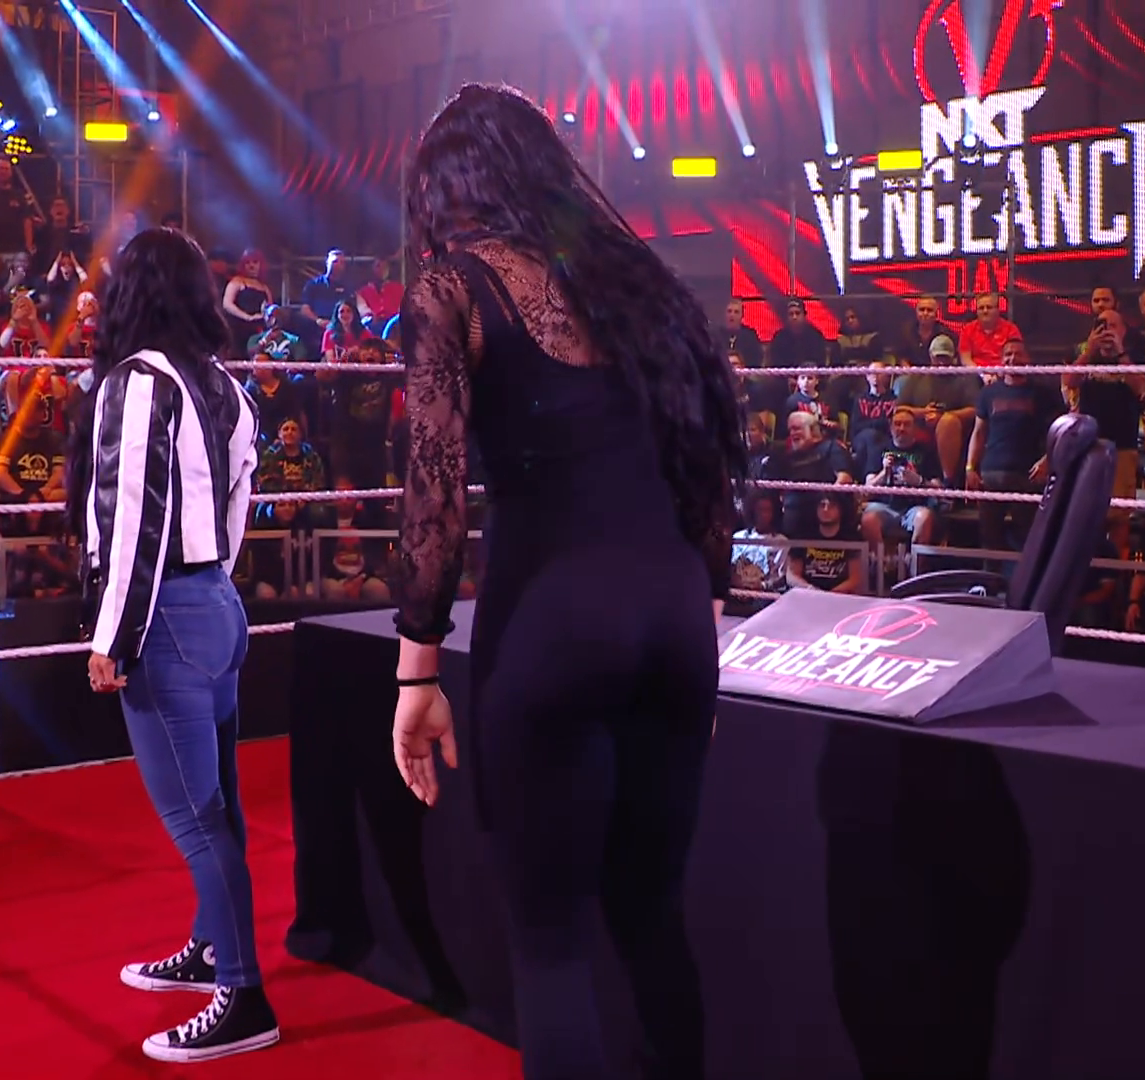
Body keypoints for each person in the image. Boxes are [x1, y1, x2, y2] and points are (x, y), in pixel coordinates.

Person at [389, 83, 746, 1080]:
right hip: (675, 620)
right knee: (653, 914)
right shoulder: (644, 286)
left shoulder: (453, 288)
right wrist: (703, 630)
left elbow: (433, 498)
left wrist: (417, 676)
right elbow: (708, 468)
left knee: (550, 943)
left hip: (553, 620)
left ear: (445, 188)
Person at [69, 228, 279, 1064]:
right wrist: (208, 588)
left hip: (165, 615)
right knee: (218, 804)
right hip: (216, 606)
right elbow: (234, 506)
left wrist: (112, 635)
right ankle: (210, 950)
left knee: (198, 821)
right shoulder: (227, 386)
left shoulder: (137, 383)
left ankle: (243, 994)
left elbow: (133, 520)